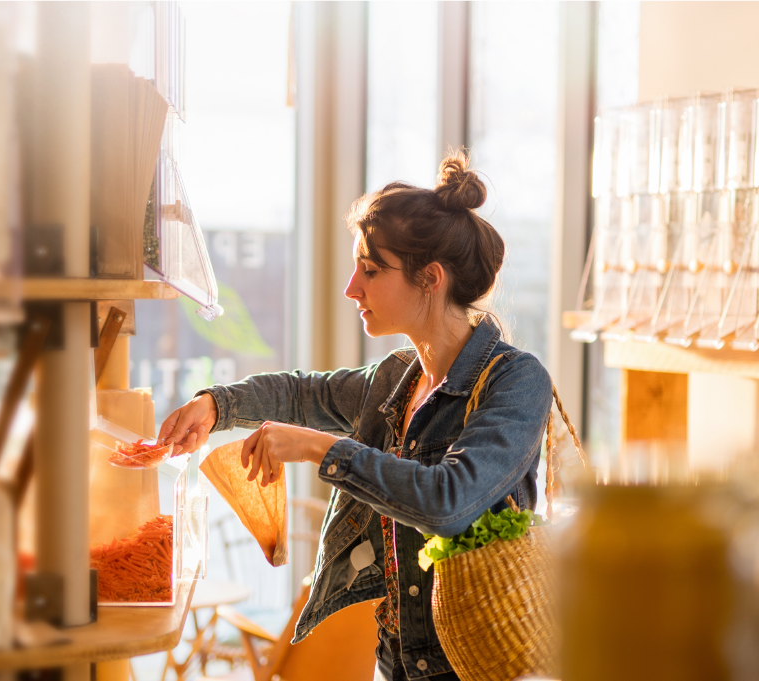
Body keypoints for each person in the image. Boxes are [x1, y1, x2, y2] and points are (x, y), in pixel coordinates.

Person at [158, 152, 553, 681]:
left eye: (370, 270)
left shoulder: (517, 381)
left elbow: (448, 501)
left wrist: (318, 448)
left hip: (480, 667)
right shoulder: (396, 379)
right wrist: (215, 406)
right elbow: (302, 394)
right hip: (396, 663)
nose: (352, 288)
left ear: (430, 278)